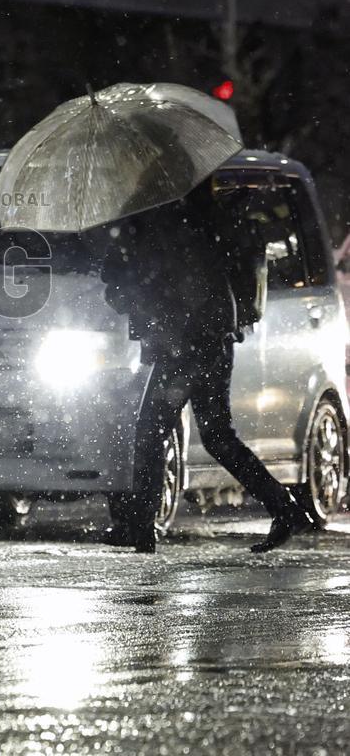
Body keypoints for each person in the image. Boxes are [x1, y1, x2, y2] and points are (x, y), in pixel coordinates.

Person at [94, 183, 315, 554]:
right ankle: (284, 509)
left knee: (151, 431)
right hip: (207, 337)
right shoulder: (192, 212)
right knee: (215, 436)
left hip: (185, 342)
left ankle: (140, 528)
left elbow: (150, 280)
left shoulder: (166, 217)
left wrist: (119, 265)